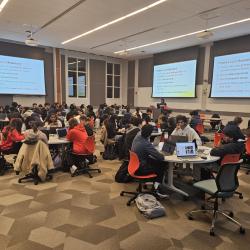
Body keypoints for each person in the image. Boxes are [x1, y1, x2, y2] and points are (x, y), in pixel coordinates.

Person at [131, 124, 168, 198]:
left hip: (134, 165)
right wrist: (161, 154)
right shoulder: (146, 144)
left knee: (155, 161)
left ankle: (155, 185)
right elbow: (160, 157)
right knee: (162, 164)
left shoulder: (137, 137)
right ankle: (156, 189)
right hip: (141, 168)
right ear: (150, 133)